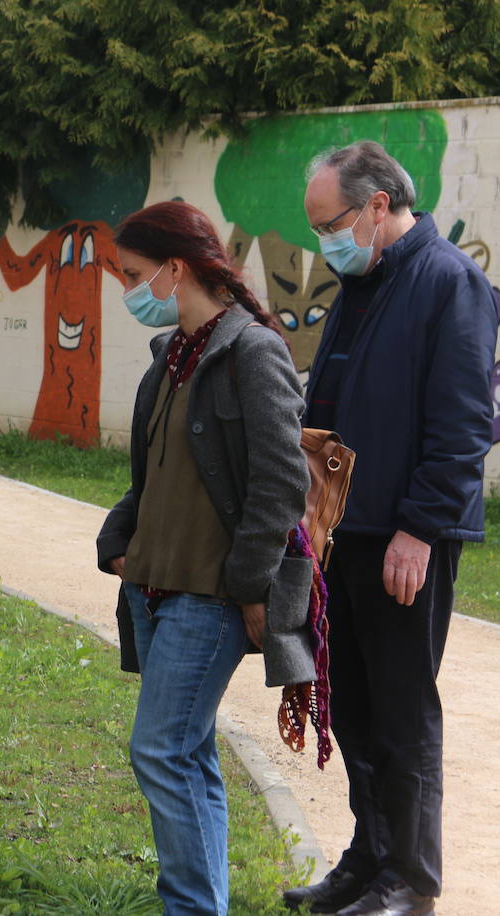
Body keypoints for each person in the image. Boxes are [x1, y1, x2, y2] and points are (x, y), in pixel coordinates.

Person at [284, 142, 498, 916]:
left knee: (402, 712)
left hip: (403, 537)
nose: (324, 243)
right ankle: (369, 860)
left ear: (378, 205)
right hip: (344, 530)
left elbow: (465, 424)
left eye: (330, 224)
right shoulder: (362, 282)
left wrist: (420, 529)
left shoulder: (449, 282)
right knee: (355, 705)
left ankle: (410, 879)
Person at [95, 201, 313, 916]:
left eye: (133, 275)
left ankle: (190, 908)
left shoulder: (252, 351)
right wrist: (119, 543)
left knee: (160, 749)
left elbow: (281, 483)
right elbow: (154, 471)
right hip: (153, 587)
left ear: (176, 269)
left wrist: (248, 584)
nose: (128, 290)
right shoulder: (171, 354)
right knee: (186, 753)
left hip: (209, 595)